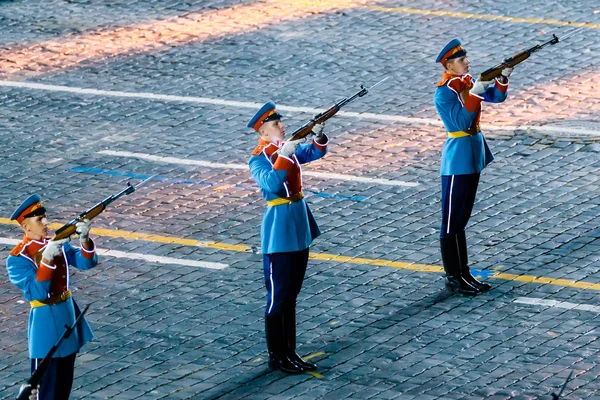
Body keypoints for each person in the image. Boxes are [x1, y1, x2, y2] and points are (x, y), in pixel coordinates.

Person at [248, 101, 328, 374]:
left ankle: (290, 352)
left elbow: (314, 152)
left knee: (292, 294)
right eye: (275, 124)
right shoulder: (258, 157)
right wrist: (285, 154)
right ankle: (277, 355)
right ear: (263, 131)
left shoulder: (285, 149)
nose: (282, 126)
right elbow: (270, 183)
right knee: (278, 296)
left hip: (298, 222)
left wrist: (318, 136)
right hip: (279, 226)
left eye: (280, 122)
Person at [434, 39, 512, 295]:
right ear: (449, 65)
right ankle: (453, 277)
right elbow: (463, 119)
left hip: (473, 153)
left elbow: (497, 98)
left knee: (461, 220)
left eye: (465, 58)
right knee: (451, 222)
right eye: (461, 60)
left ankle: (464, 272)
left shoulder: (466, 82)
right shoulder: (444, 91)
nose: (467, 62)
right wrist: (478, 88)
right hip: (458, 157)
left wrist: (502, 78)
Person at [6, 194, 98, 400]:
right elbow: (37, 291)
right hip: (46, 323)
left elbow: (85, 263)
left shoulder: (55, 242)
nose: (46, 223)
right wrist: (47, 257)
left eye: (45, 217)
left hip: (67, 314)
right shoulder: (18, 257)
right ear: (26, 227)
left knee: (64, 385)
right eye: (39, 220)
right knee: (46, 388)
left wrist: (85, 240)